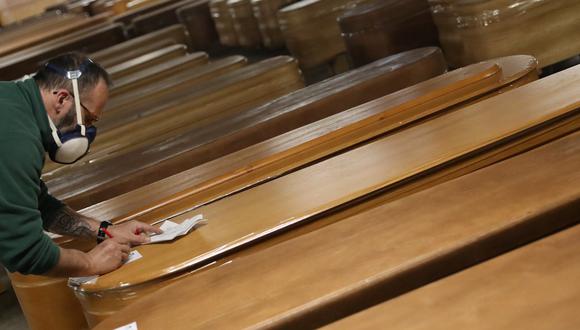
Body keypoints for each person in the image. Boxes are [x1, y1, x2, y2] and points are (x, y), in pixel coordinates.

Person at [0, 53, 161, 277]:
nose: (86, 131)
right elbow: (25, 250)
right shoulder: (17, 138)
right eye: (88, 119)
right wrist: (90, 262)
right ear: (62, 99)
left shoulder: (12, 102)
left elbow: (38, 203)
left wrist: (106, 231)